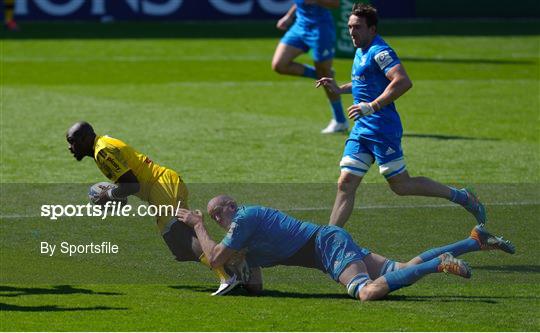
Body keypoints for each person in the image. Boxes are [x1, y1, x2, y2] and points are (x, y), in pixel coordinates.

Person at [316, 3, 486, 227]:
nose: (351, 32)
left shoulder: (380, 52)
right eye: (349, 27)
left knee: (401, 186)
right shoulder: (360, 50)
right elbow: (363, 83)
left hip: (382, 128)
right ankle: (330, 238)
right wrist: (340, 89)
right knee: (345, 182)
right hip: (362, 129)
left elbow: (403, 81)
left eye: (357, 27)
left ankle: (463, 196)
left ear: (372, 30)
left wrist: (373, 106)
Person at [176, 195, 515, 300]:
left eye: (216, 214)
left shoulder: (244, 219)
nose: (218, 220)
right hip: (328, 243)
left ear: (229, 208)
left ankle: (438, 264)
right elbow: (257, 287)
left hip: (326, 246)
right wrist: (244, 270)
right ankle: (472, 241)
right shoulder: (246, 236)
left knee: (367, 293)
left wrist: (197, 225)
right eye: (213, 217)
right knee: (398, 270)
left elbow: (215, 256)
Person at [65, 121, 238, 295]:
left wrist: (108, 195)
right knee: (179, 247)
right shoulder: (103, 144)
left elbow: (132, 185)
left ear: (86, 138)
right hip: (163, 186)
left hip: (161, 186)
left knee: (179, 235)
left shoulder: (103, 151)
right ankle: (235, 264)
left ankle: (226, 276)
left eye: (73, 141)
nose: (70, 147)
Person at [272, 0, 348, 134]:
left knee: (324, 73)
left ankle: (340, 121)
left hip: (320, 29)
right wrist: (289, 16)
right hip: (300, 26)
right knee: (279, 65)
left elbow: (335, 4)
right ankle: (323, 75)